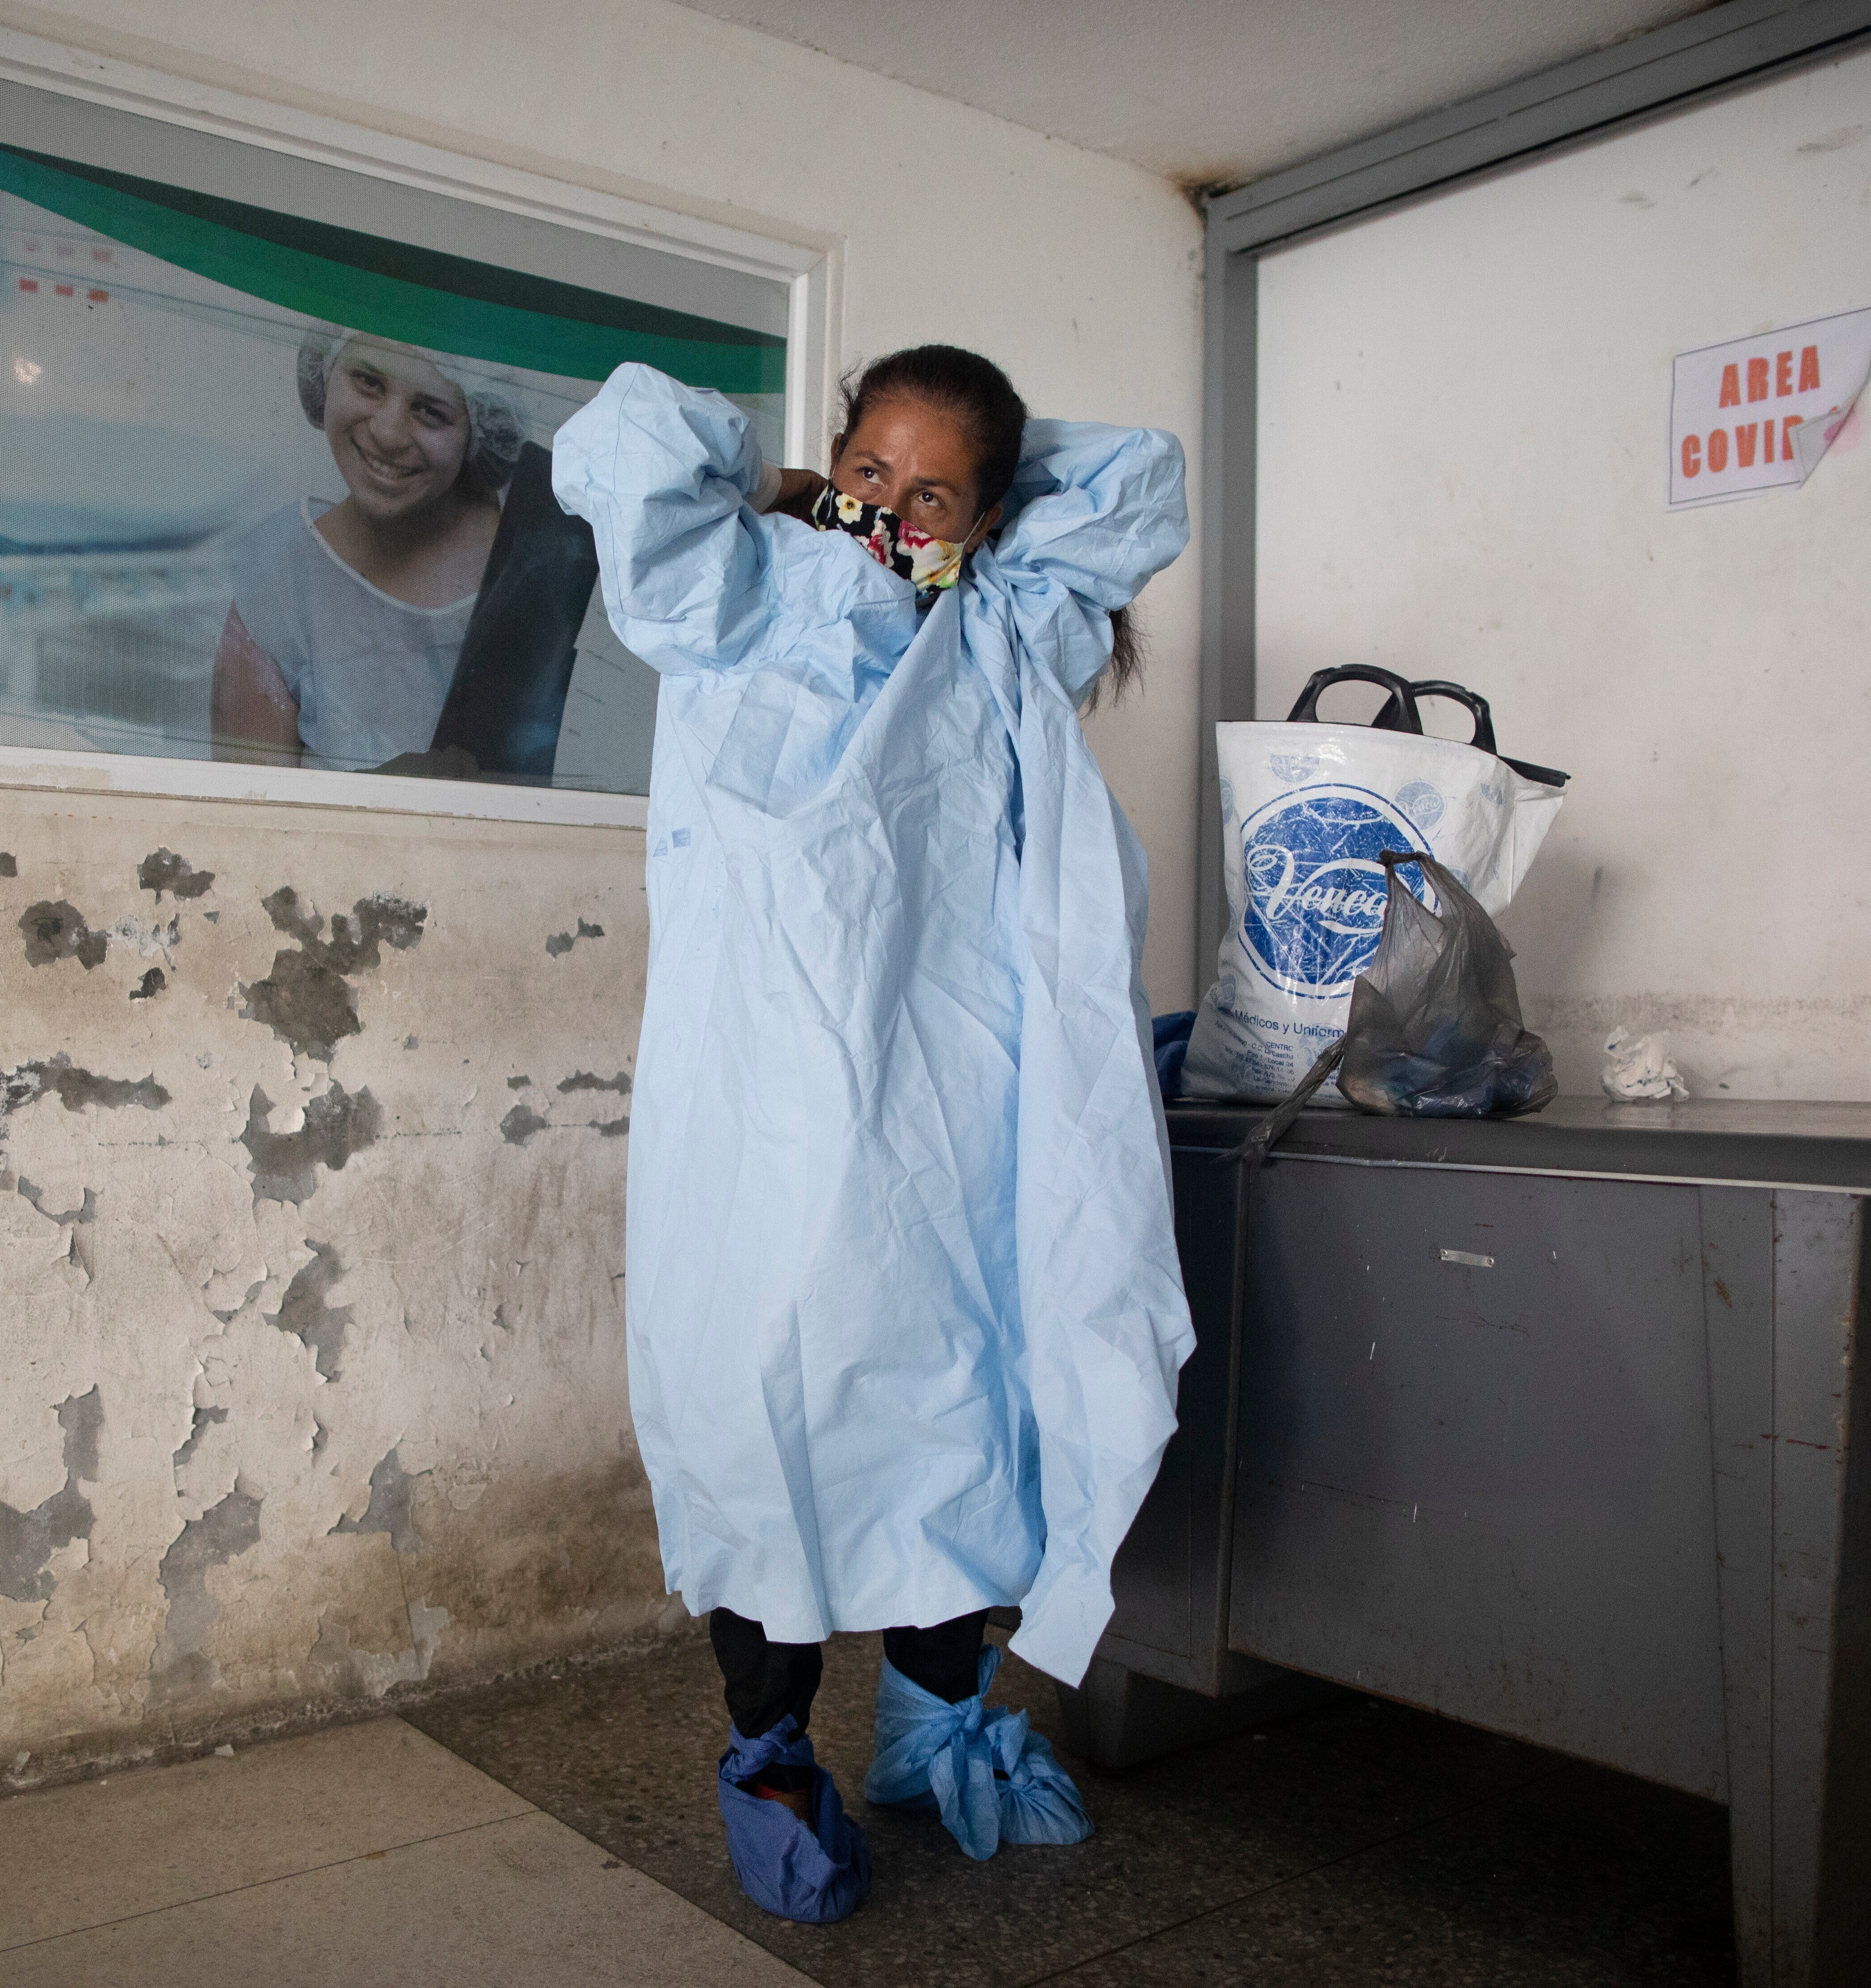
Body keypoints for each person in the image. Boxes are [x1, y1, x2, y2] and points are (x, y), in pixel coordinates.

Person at [552, 347, 1193, 1923]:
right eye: (873, 472)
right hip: (758, 1121)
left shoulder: (1002, 632)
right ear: (826, 457)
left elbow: (1137, 481)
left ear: (987, 515)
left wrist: (971, 519)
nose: (893, 511)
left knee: (952, 1423)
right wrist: (785, 489)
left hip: (946, 1128)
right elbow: (627, 444)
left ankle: (933, 1722)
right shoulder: (737, 590)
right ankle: (769, 1756)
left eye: (936, 494)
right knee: (760, 1422)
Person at [210, 331, 526, 769]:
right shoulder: (279, 571)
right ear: (328, 374)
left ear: (478, 429)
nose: (389, 433)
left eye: (430, 411)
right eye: (369, 382)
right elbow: (249, 815)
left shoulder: (532, 575)